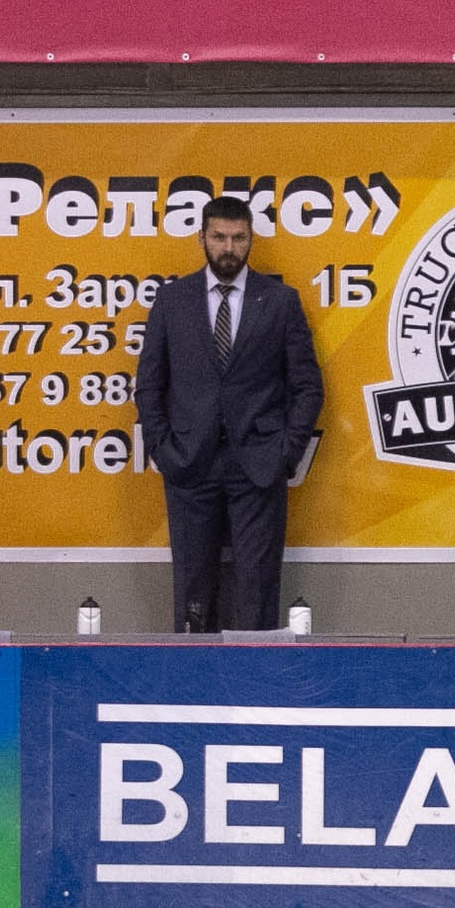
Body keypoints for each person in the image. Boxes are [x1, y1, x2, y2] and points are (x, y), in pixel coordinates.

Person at [134, 194, 324, 633]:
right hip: (188, 462)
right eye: (219, 237)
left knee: (257, 585)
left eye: (238, 238)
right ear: (201, 238)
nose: (228, 248)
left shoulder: (279, 302)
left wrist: (285, 452)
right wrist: (163, 448)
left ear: (251, 240)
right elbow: (149, 385)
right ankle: (192, 682)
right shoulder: (172, 301)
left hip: (258, 464)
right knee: (193, 585)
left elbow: (308, 386)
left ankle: (256, 686)